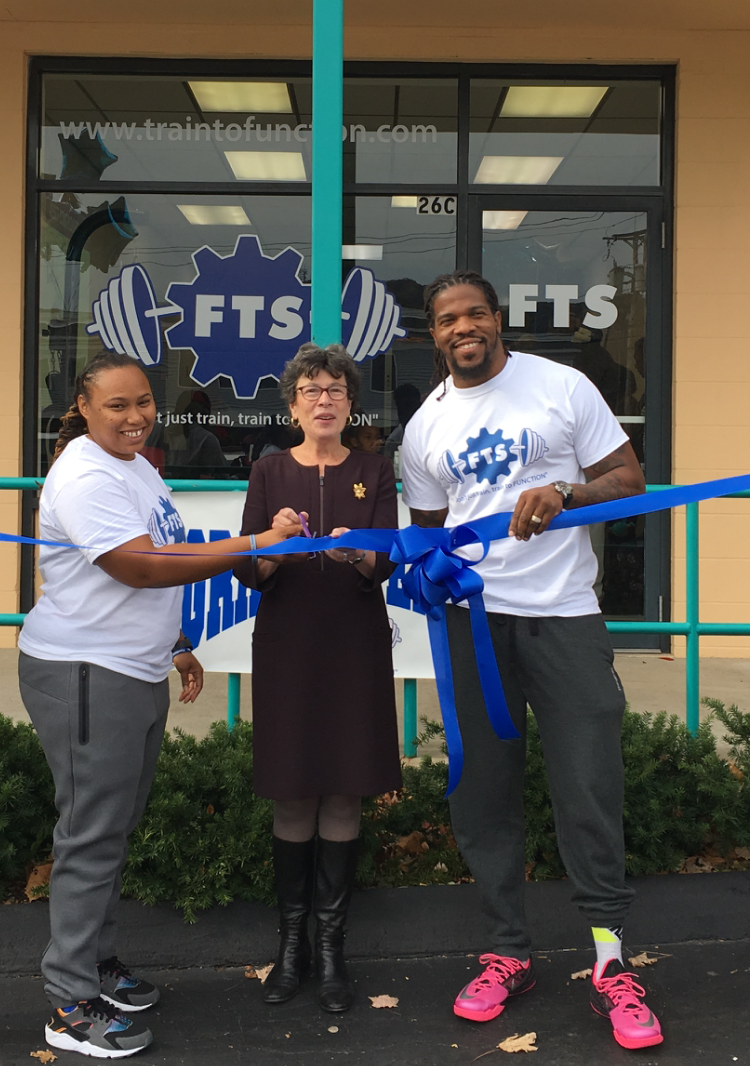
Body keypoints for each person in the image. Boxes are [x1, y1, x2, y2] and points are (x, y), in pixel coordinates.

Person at [400, 271, 663, 1053]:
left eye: (474, 313)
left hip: (565, 619)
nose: (463, 327)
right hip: (473, 626)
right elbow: (425, 537)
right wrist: (419, 568)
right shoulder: (424, 427)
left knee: (588, 784)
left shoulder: (562, 385)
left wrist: (564, 492)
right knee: (483, 792)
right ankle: (506, 952)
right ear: (434, 334)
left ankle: (612, 964)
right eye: (447, 319)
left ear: (496, 319)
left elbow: (630, 479)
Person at [18, 351, 299, 1059]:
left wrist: (175, 641)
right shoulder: (83, 475)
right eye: (118, 405)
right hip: (86, 670)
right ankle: (69, 1002)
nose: (136, 416)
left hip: (132, 667)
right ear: (83, 407)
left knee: (114, 825)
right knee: (90, 832)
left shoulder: (137, 466)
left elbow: (158, 554)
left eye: (144, 401)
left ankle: (96, 964)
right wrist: (254, 543)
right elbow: (138, 566)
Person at [234, 343, 401, 1015]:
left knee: (344, 788)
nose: (324, 399)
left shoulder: (375, 469)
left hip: (354, 645)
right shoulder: (267, 471)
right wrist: (271, 544)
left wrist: (362, 552)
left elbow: (386, 559)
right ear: (293, 404)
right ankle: (291, 949)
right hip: (289, 646)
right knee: (293, 790)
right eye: (312, 389)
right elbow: (247, 568)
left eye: (335, 389)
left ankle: (333, 952)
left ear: (350, 402)